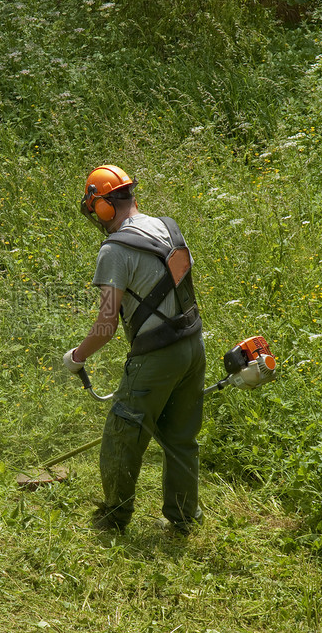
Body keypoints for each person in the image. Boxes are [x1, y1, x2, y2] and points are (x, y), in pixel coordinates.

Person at [62, 164, 205, 534]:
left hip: (157, 355)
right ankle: (183, 518)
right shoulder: (167, 226)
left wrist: (78, 356)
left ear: (105, 207)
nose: (96, 217)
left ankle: (114, 518)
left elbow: (107, 324)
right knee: (180, 438)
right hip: (192, 344)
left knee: (122, 435)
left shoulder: (115, 249)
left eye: (95, 209)